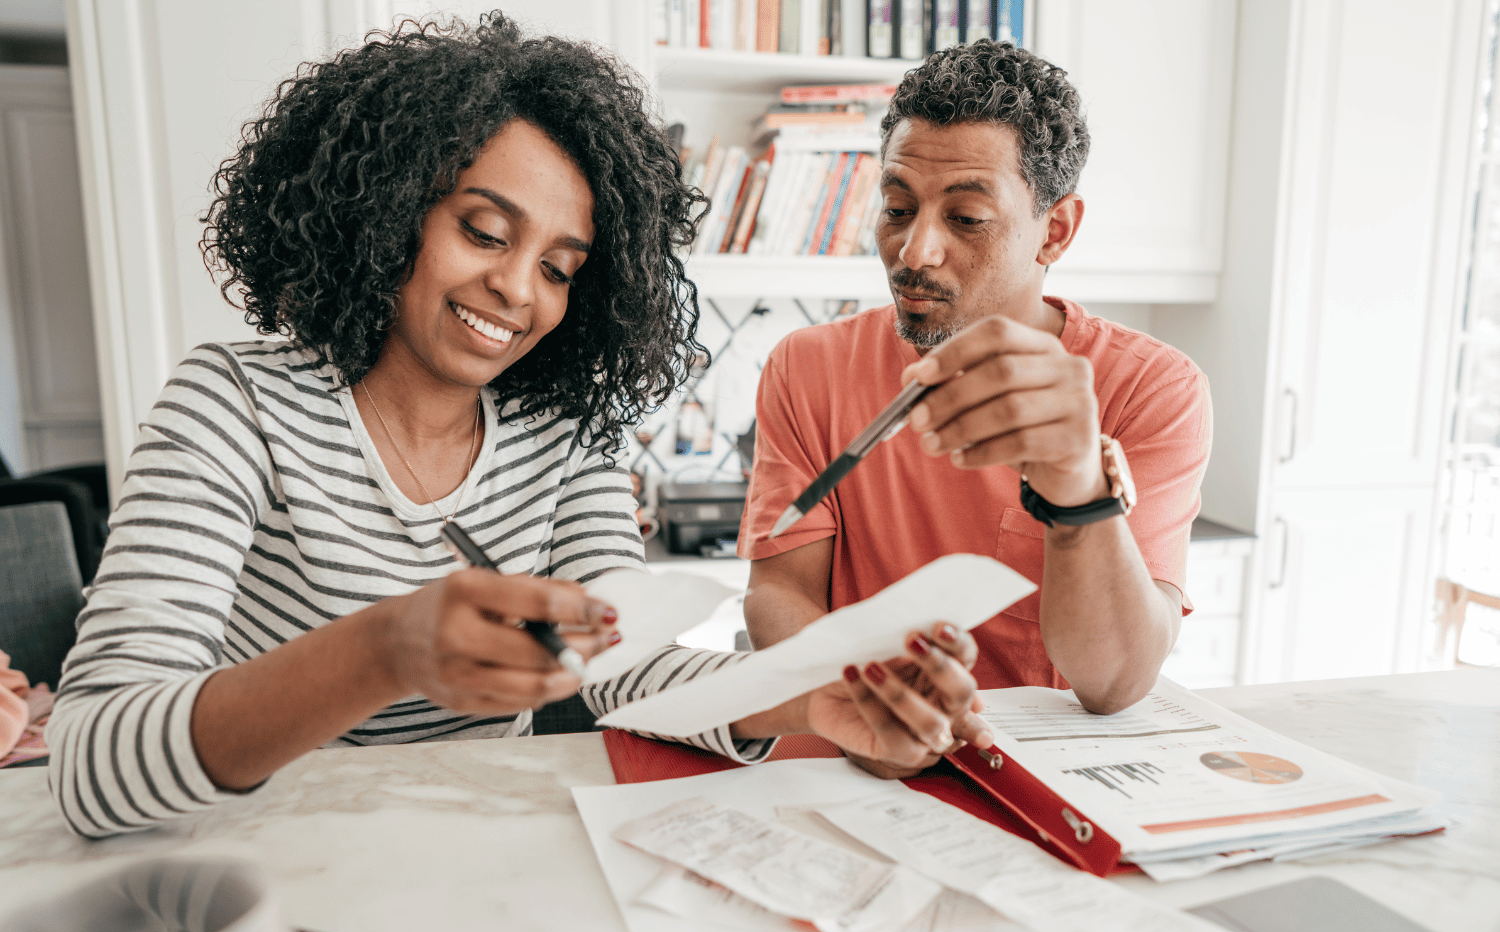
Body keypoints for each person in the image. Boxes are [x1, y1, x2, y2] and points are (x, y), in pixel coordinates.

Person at [49, 14, 985, 838]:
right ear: (386, 213)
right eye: (486, 233)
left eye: (560, 267)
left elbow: (626, 672)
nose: (517, 290)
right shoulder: (233, 407)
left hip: (474, 853)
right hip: (250, 859)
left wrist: (813, 697)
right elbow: (91, 761)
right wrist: (386, 648)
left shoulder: (562, 434)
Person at [738, 40, 1212, 778]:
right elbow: (779, 592)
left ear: (1054, 231)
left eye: (966, 218)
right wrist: (863, 698)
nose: (914, 250)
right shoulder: (808, 367)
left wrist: (1077, 483)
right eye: (897, 208)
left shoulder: (1151, 389)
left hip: (1034, 783)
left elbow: (1115, 681)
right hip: (849, 766)